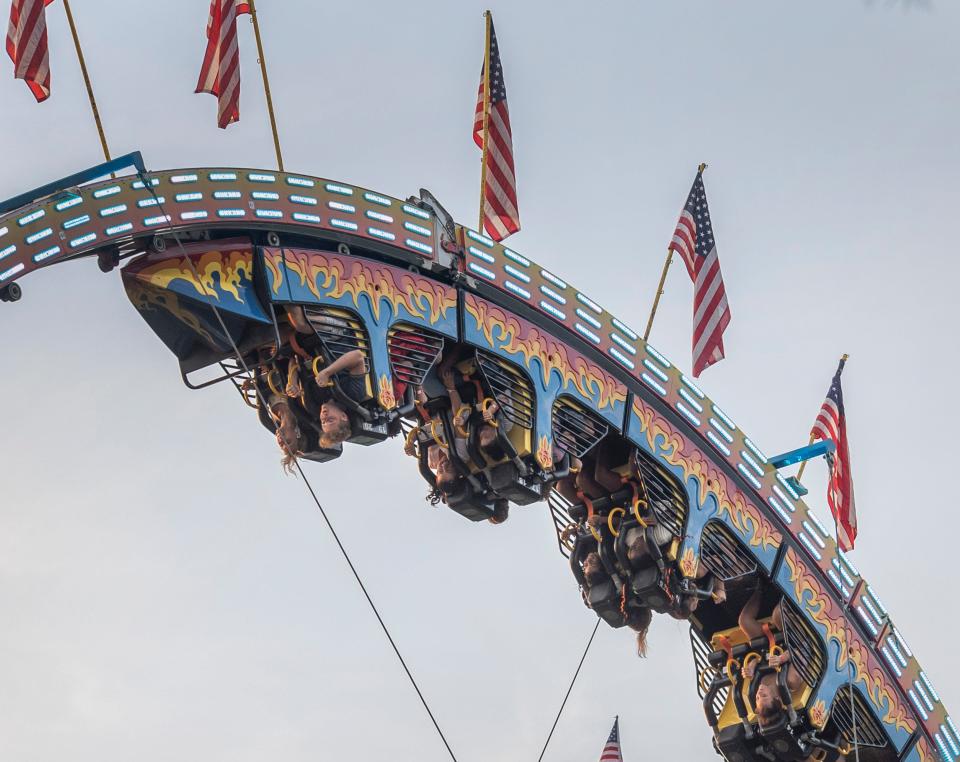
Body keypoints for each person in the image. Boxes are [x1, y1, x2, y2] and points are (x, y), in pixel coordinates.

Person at [738, 587, 805, 727]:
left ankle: (759, 587)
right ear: (777, 699)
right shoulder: (792, 681)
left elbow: (759, 659)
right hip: (797, 640)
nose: (759, 692)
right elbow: (803, 651)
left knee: (744, 621)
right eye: (763, 696)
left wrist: (751, 666)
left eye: (757, 698)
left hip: (770, 646)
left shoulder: (757, 685)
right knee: (777, 614)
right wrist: (783, 658)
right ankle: (791, 586)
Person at [314, 348, 367, 447]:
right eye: (330, 419)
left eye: (323, 421)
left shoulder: (317, 399)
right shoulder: (354, 394)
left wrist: (293, 381)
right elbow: (358, 356)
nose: (324, 415)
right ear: (343, 416)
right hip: (335, 341)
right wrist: (327, 373)